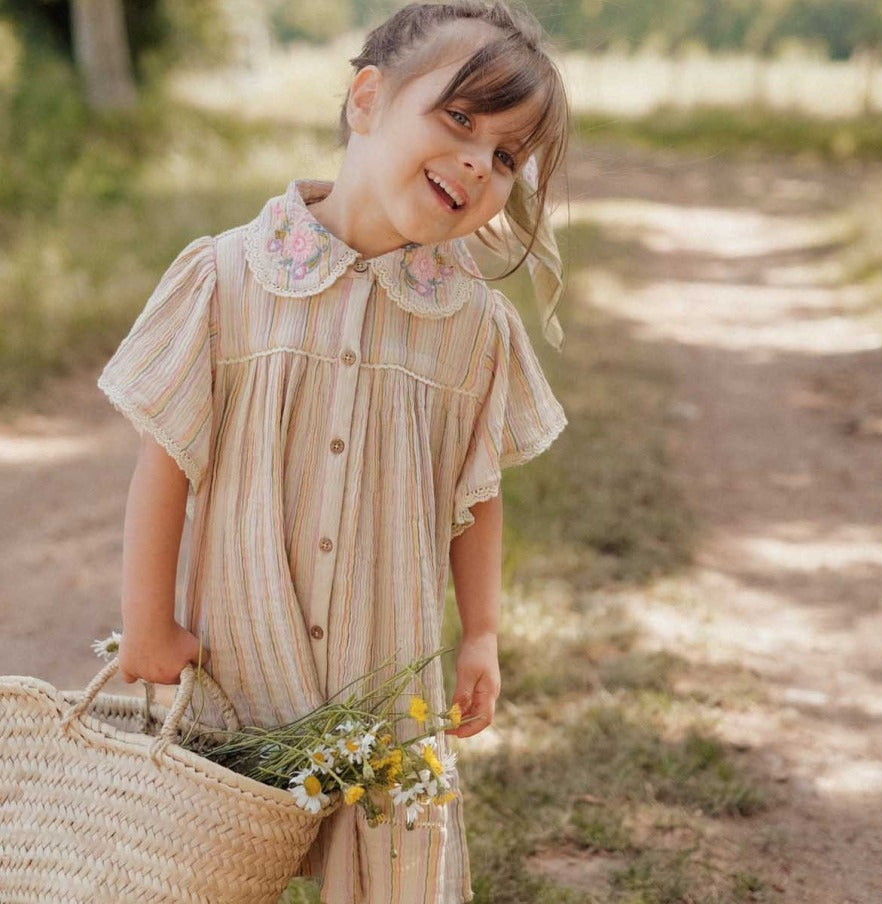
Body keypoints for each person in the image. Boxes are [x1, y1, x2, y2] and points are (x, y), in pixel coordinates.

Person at [98, 2, 570, 901]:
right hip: (240, 664)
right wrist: (147, 622)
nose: (479, 160)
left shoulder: (469, 326)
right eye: (461, 119)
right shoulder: (229, 277)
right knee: (209, 871)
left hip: (381, 679)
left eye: (507, 156)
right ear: (366, 100)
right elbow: (166, 458)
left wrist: (481, 634)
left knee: (390, 874)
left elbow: (477, 491)